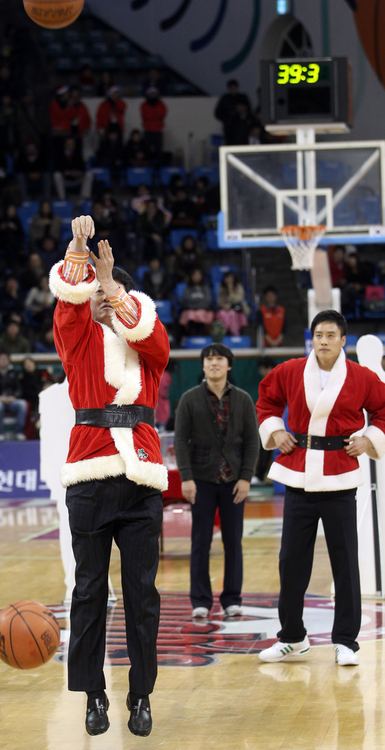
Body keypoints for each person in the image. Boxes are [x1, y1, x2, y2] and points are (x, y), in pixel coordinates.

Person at [49, 215, 169, 737]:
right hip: (90, 478)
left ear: (124, 296)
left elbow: (147, 329)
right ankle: (92, 694)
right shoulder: (76, 344)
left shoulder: (150, 352)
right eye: (93, 295)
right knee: (88, 591)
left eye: (111, 294)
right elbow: (67, 310)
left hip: (140, 479)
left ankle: (140, 695)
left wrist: (111, 282)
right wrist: (78, 251)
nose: (100, 299)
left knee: (143, 594)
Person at [256, 309, 385, 666]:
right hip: (299, 473)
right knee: (291, 561)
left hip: (341, 475)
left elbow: (383, 411)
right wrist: (276, 431)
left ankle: (346, 640)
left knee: (345, 562)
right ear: (311, 339)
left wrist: (369, 439)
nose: (324, 341)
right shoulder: (290, 370)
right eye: (319, 335)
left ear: (344, 341)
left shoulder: (361, 376)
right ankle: (293, 638)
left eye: (331, 335)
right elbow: (266, 402)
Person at [174, 343, 258, 618]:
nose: (214, 363)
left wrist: (246, 477)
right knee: (201, 541)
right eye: (208, 359)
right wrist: (186, 477)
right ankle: (200, 600)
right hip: (201, 481)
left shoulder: (244, 399)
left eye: (219, 359)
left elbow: (252, 442)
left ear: (229, 365)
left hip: (234, 481)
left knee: (233, 541)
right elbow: (180, 442)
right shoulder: (189, 398)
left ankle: (232, 597)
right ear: (202, 365)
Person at [253, 356, 276, 486]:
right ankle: (261, 475)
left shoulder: (276, 381)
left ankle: (261, 475)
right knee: (266, 446)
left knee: (267, 447)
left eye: (262, 369)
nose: (261, 372)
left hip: (276, 420)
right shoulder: (267, 382)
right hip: (268, 419)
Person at [0, 351, 28, 441]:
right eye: (1, 359)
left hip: (12, 400)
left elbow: (19, 388)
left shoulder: (14, 373)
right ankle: (1, 433)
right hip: (0, 400)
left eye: (5, 359)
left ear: (9, 361)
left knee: (22, 404)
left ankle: (18, 432)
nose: (3, 361)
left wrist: (14, 397)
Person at [178, 267, 214, 337]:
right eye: (195, 275)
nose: (196, 277)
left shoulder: (205, 288)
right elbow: (187, 301)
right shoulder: (187, 288)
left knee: (201, 313)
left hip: (203, 310)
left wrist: (195, 304)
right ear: (191, 276)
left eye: (198, 275)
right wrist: (198, 303)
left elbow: (207, 301)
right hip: (190, 310)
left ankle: (202, 336)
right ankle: (191, 336)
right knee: (191, 314)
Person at [214, 80, 251, 145]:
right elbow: (218, 113)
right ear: (229, 88)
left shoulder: (242, 97)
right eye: (231, 88)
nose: (233, 90)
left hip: (244, 128)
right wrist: (227, 118)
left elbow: (249, 111)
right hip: (230, 128)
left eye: (234, 87)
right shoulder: (225, 99)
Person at [215, 270, 250, 336]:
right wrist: (223, 306)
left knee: (232, 313)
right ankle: (224, 334)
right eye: (227, 278)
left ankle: (235, 333)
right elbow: (219, 300)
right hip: (224, 309)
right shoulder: (221, 287)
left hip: (237, 309)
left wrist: (230, 291)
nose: (229, 280)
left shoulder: (238, 287)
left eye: (231, 278)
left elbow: (238, 299)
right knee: (222, 314)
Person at [140, 87, 167, 164]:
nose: (152, 95)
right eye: (151, 94)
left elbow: (162, 114)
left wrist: (153, 115)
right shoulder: (144, 105)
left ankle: (159, 167)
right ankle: (148, 166)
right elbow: (146, 116)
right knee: (147, 150)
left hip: (158, 131)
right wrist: (155, 116)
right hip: (148, 131)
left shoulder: (161, 104)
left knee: (159, 150)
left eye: (154, 94)